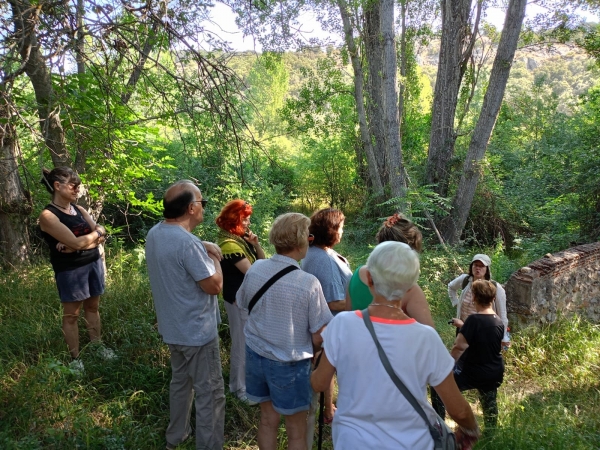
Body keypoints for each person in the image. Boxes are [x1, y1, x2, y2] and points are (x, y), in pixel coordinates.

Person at [311, 241, 480, 449]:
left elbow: (319, 383)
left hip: (352, 442)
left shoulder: (341, 324)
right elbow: (458, 410)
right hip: (412, 443)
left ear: (370, 279)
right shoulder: (426, 338)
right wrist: (470, 429)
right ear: (410, 286)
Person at [236, 212, 333, 450]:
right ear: (302, 242)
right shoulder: (308, 283)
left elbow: (242, 303)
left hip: (256, 356)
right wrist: (317, 352)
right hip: (290, 365)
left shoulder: (256, 268)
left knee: (267, 421)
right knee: (296, 431)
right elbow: (319, 335)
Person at [145, 180, 226, 450]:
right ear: (191, 208)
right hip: (197, 333)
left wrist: (202, 243)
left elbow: (178, 245)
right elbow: (214, 286)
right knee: (210, 394)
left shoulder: (156, 233)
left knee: (181, 383)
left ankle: (175, 437)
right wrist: (214, 255)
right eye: (202, 203)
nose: (204, 208)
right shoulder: (188, 244)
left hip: (173, 329)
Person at [39, 167, 114, 372]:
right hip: (70, 271)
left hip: (93, 264)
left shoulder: (79, 210)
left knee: (93, 308)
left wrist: (80, 243)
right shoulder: (48, 215)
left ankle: (97, 347)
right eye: (74, 186)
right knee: (71, 315)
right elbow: (88, 238)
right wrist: (90, 238)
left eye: (78, 186)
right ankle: (75, 359)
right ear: (57, 186)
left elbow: (101, 231)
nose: (77, 190)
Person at [301, 208, 352, 424]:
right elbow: (332, 301)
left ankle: (328, 408)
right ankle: (330, 412)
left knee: (326, 365)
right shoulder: (323, 259)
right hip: (331, 323)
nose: (342, 230)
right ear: (330, 230)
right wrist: (361, 305)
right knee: (329, 366)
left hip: (325, 324)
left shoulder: (318, 251)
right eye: (340, 227)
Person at [215, 199, 265, 404]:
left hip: (245, 300)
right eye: (245, 219)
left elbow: (261, 262)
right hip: (237, 300)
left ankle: (245, 384)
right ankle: (238, 388)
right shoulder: (228, 245)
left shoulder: (240, 241)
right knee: (241, 344)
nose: (248, 223)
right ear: (234, 219)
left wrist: (256, 244)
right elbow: (254, 272)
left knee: (249, 342)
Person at [451, 279, 505, 431]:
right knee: (490, 404)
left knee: (438, 388)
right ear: (493, 299)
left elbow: (459, 346)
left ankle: (440, 426)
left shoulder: (473, 319)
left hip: (473, 372)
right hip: (494, 371)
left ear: (474, 297)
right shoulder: (498, 321)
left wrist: (447, 365)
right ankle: (491, 435)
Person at [448, 254, 510, 345]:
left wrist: (503, 338)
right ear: (471, 266)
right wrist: (456, 303)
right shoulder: (464, 280)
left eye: (481, 266)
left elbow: (503, 315)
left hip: (483, 332)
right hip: (462, 328)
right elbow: (451, 287)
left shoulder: (495, 288)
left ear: (487, 269)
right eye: (475, 265)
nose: (478, 268)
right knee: (461, 354)